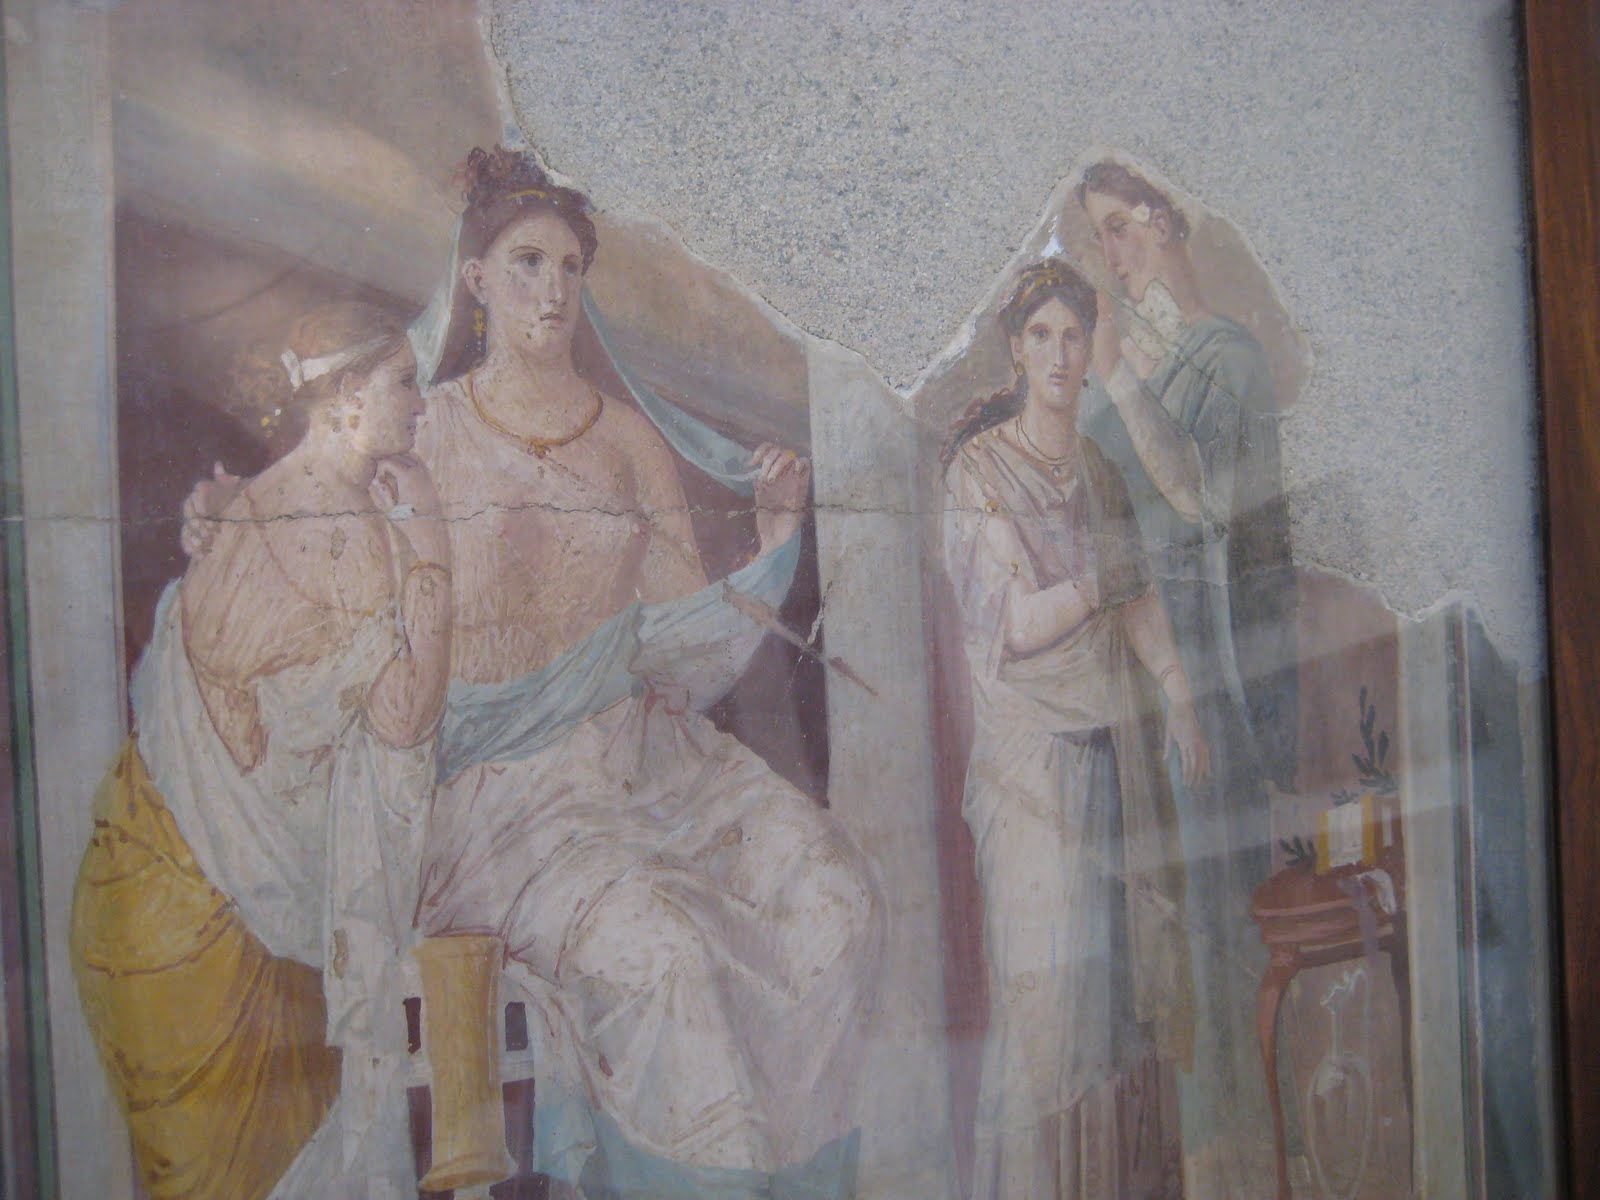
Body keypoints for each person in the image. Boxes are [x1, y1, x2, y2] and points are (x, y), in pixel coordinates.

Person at [405, 147, 882, 1197]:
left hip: (654, 767)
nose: (553, 290)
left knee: (838, 898)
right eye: (528, 263)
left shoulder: (626, 441)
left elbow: (684, 647)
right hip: (503, 802)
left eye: (571, 267)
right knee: (664, 953)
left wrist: (772, 538)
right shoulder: (427, 437)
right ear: (476, 279)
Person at [71, 302, 452, 1200]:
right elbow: (405, 719)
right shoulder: (352, 539)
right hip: (215, 940)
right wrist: (433, 549)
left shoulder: (253, 504)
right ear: (348, 395)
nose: (421, 404)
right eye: (405, 382)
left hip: (146, 892)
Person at [941, 257, 1203, 1200]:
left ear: (1092, 351)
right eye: (1042, 336)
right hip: (1030, 767)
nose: (1059, 354)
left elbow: (1140, 604)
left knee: (1116, 998)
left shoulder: (1099, 470)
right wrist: (1100, 582)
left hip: (1113, 747)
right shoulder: (978, 471)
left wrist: (1176, 687)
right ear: (1016, 350)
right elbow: (1014, 622)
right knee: (1047, 1000)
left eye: (1074, 336)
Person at [1076, 158, 1298, 1188]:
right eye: (1100, 234)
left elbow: (1204, 501)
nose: (1113, 252)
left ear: (1168, 221)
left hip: (1202, 664)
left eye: (1124, 225)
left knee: (1212, 907)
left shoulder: (1226, 358)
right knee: (1148, 913)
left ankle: (1240, 1159)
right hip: (1127, 657)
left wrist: (1117, 376)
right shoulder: (1140, 362)